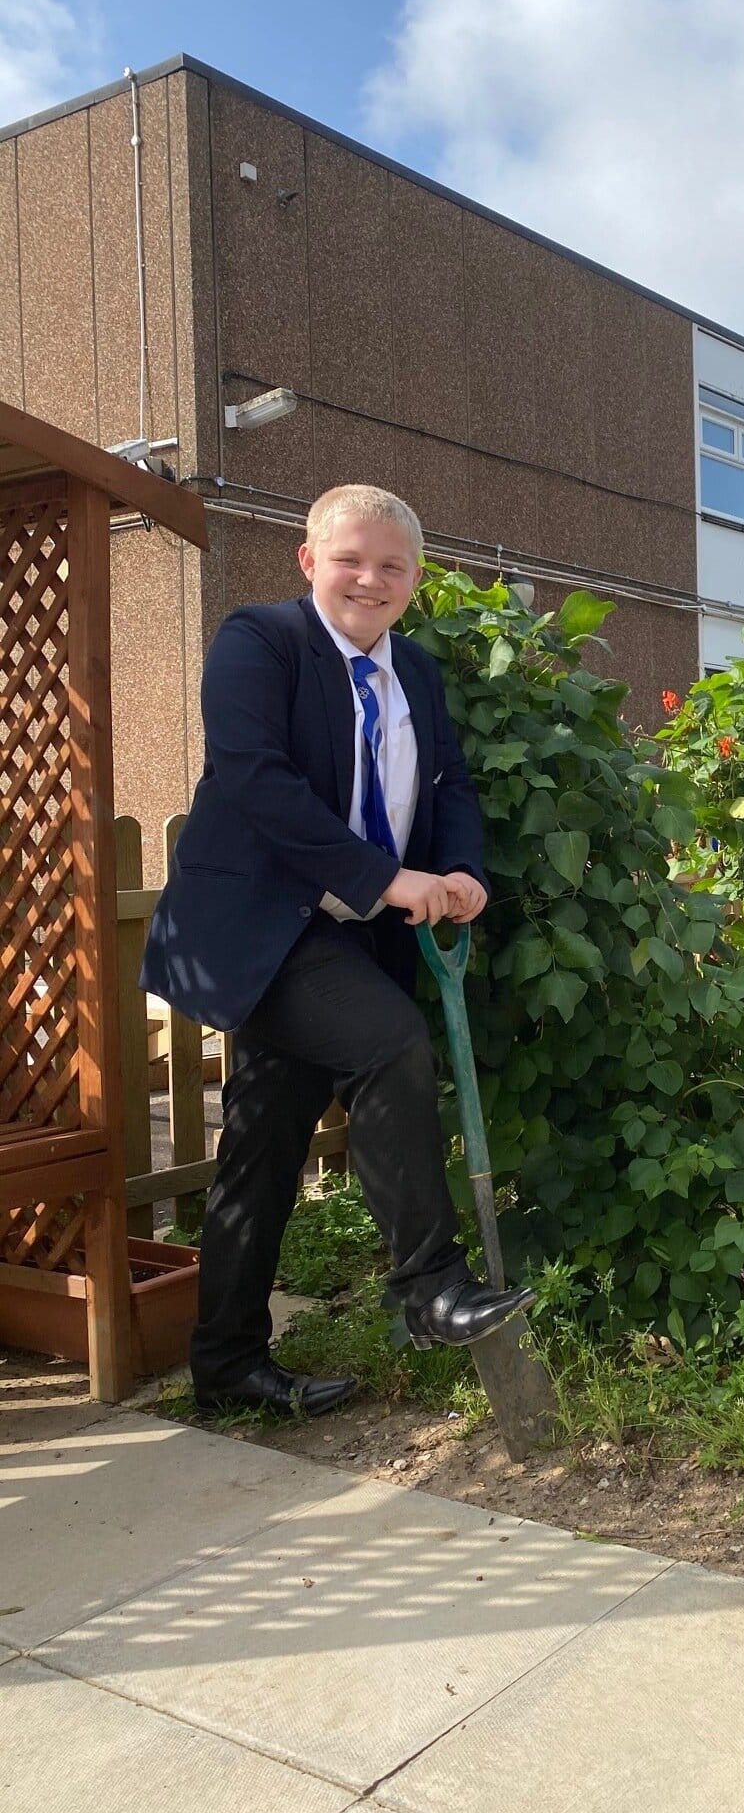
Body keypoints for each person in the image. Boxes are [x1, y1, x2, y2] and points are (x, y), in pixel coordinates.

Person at [143, 484, 533, 1418]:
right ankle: (429, 1285)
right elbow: (255, 782)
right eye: (352, 559)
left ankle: (226, 1365)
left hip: (356, 936)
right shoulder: (261, 642)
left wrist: (460, 869)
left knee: (262, 1149)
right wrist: (385, 878)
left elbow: (449, 788)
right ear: (310, 560)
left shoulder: (419, 677)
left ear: (415, 581)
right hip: (265, 932)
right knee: (387, 1041)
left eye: (393, 566)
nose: (371, 579)